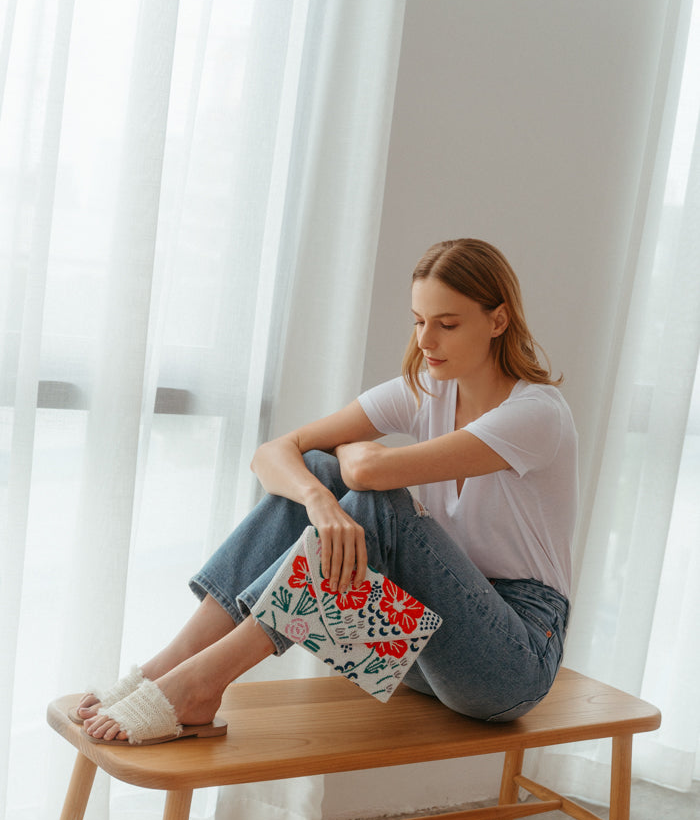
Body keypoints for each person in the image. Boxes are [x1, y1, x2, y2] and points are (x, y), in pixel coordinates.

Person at [77, 237, 578, 745]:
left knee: (372, 498)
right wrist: (320, 501)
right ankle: (172, 665)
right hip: (421, 657)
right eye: (418, 321)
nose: (426, 341)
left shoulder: (537, 414)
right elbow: (272, 453)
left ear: (498, 321)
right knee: (317, 471)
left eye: (447, 324)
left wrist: (353, 467)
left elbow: (369, 476)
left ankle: (201, 683)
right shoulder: (425, 389)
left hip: (512, 665)